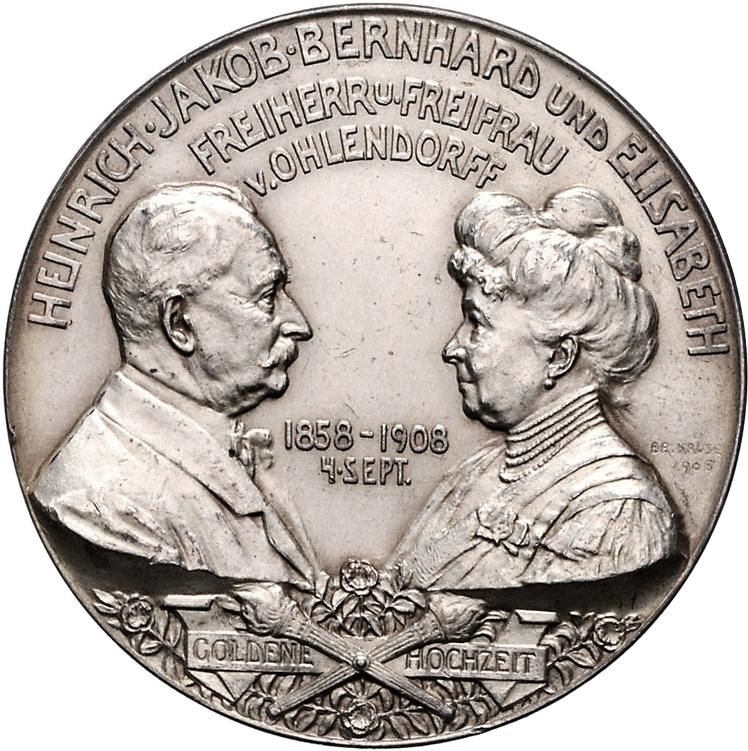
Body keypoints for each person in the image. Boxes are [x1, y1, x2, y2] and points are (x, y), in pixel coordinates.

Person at [391, 186, 678, 591]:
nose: (452, 348)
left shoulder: (621, 510)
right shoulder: (474, 472)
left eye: (477, 323)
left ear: (559, 356)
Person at [31, 182, 318, 587]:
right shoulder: (98, 501)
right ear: (180, 323)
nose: (299, 324)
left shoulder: (237, 454)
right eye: (268, 296)